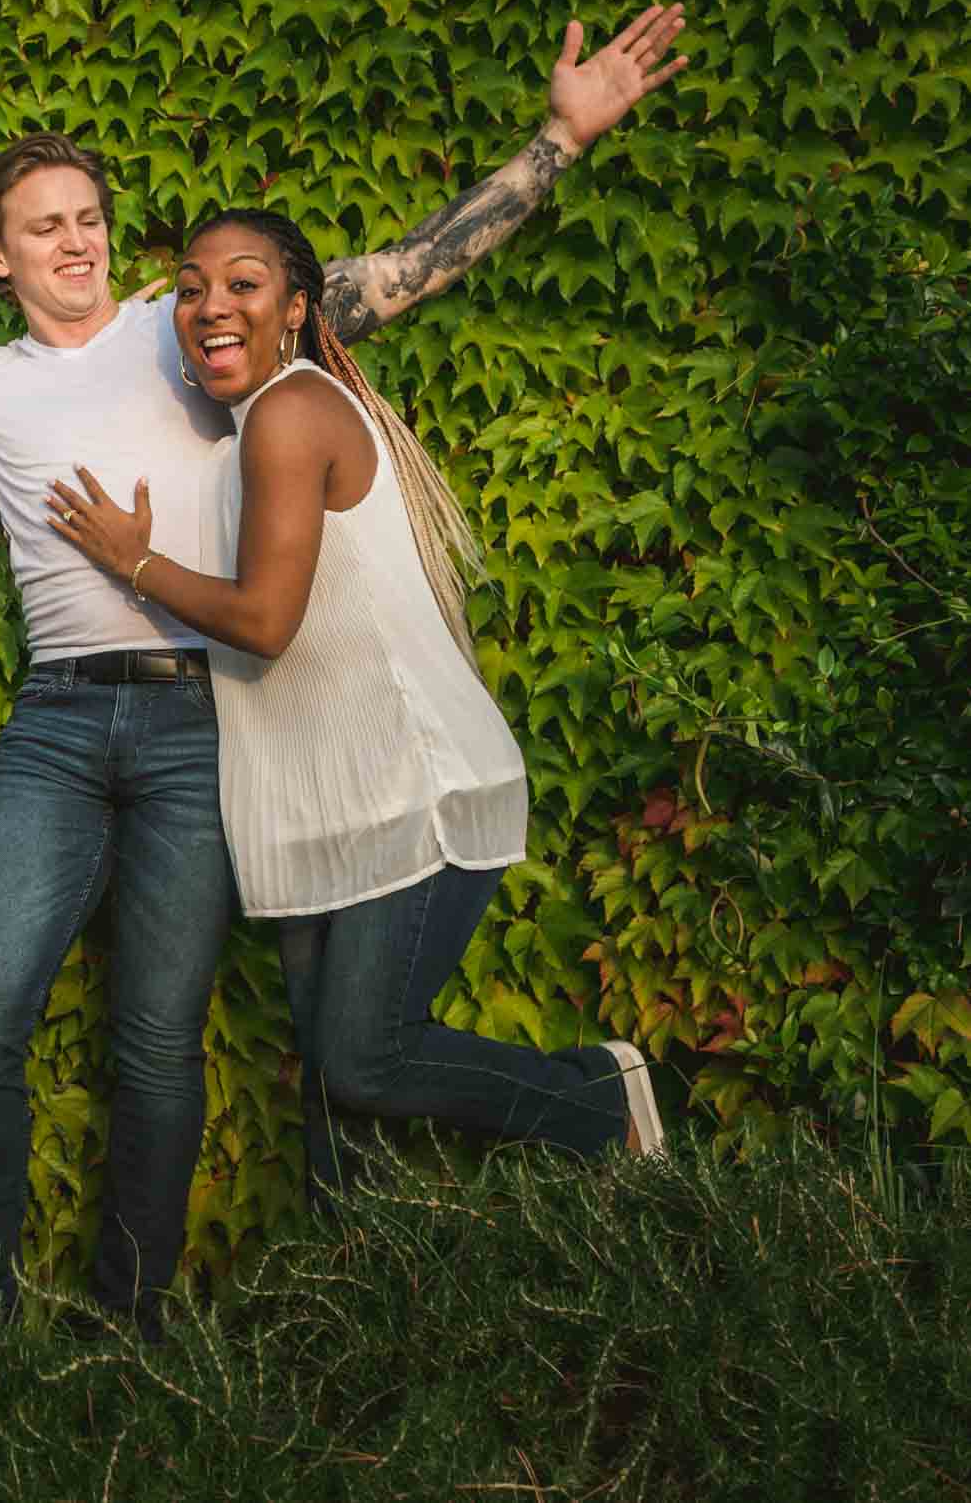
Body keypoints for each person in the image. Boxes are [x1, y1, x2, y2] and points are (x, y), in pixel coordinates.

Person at [0, 6, 691, 1330]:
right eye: (43, 223)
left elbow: (408, 270)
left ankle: (135, 1316)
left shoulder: (201, 333)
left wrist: (557, 143)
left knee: (162, 1036)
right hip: (56, 723)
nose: (77, 237)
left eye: (91, 214)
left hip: (202, 719)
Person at [42, 205, 664, 1204]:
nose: (210, 305)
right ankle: (364, 1307)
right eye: (191, 287)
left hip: (405, 782)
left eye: (243, 284)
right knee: (337, 1102)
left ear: (295, 307)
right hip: (316, 799)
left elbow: (264, 620)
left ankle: (596, 1095)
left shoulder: (292, 410)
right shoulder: (249, 427)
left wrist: (135, 561)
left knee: (365, 1058)